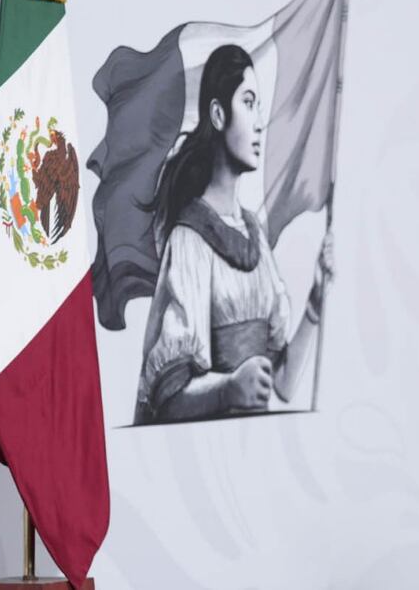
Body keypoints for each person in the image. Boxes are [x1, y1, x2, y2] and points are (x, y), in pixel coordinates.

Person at [134, 44, 333, 424]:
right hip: (208, 459)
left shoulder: (254, 235)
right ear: (218, 114)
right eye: (249, 102)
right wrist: (228, 388)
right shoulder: (190, 240)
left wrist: (315, 302)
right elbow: (168, 398)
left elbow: (284, 384)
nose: (260, 122)